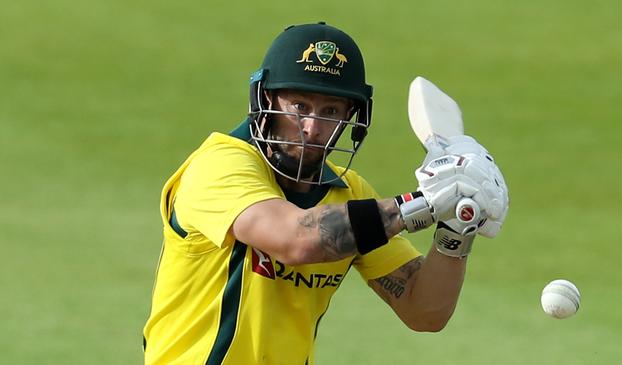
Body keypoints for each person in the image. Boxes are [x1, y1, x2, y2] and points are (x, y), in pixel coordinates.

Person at [142, 22, 509, 365]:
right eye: (299, 106)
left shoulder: (350, 195)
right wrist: (427, 202)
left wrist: (458, 224)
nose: (313, 127)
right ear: (265, 101)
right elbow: (296, 239)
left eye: (331, 110)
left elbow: (424, 310)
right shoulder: (219, 165)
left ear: (352, 117)